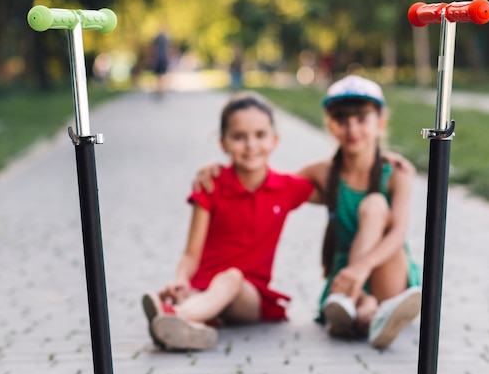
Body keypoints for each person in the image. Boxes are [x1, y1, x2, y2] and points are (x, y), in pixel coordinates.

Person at [193, 75, 422, 349]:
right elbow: (269, 187)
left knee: (374, 205)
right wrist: (218, 168)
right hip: (343, 282)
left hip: (385, 272)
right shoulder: (323, 174)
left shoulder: (396, 175)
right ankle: (367, 315)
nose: (352, 128)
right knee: (364, 308)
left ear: (380, 122)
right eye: (342, 120)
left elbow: (397, 235)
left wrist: (359, 271)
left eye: (361, 119)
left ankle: (364, 304)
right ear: (330, 125)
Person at [142, 92, 315, 351]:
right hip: (205, 287)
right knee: (194, 292)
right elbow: (191, 252)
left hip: (249, 297)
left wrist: (385, 164)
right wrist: (180, 279)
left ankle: (174, 317)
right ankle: (188, 323)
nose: (250, 145)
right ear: (222, 143)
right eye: (238, 137)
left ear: (275, 140)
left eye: (260, 135)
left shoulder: (287, 188)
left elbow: (334, 180)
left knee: (232, 278)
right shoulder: (210, 186)